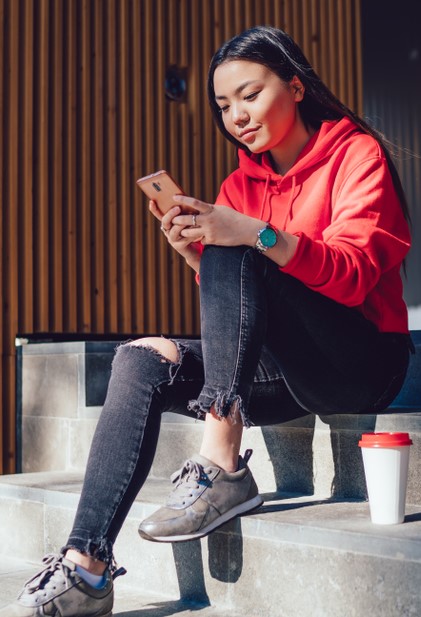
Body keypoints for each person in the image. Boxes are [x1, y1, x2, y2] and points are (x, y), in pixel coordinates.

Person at [1, 24, 413, 617]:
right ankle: (86, 571)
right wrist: (198, 254)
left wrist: (253, 235)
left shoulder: (355, 155)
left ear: (295, 87)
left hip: (362, 361)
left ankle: (222, 464)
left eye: (250, 94)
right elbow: (241, 304)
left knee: (236, 244)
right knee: (141, 357)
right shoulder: (238, 185)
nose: (237, 116)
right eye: (224, 105)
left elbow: (352, 274)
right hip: (281, 370)